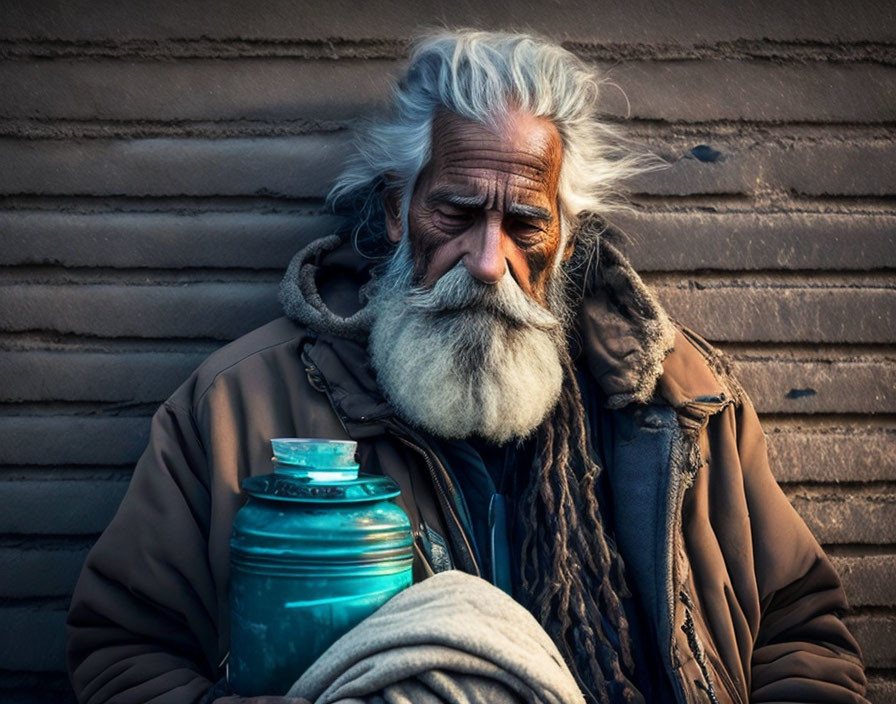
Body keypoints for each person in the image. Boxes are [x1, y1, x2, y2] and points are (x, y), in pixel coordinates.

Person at [66, 30, 868, 704]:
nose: (488, 262)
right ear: (394, 208)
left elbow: (801, 637)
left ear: (566, 237)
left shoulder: (684, 403)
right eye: (455, 212)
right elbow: (123, 651)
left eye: (524, 222)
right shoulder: (238, 408)